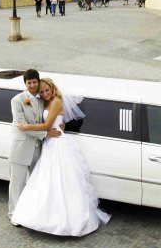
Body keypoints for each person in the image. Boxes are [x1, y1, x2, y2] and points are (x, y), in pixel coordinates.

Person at [11, 78, 111, 236]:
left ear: (53, 89)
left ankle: (63, 219)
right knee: (47, 178)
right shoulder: (45, 102)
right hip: (49, 142)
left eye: (47, 90)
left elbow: (46, 125)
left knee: (60, 179)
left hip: (58, 143)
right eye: (42, 91)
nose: (45, 93)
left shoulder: (56, 101)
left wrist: (26, 126)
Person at [7, 70, 62, 220]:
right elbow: (22, 126)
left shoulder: (43, 98)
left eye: (34, 82)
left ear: (38, 82)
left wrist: (60, 124)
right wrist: (46, 134)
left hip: (38, 148)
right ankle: (14, 214)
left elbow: (51, 116)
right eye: (29, 82)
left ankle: (31, 212)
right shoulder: (17, 100)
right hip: (21, 147)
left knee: (36, 182)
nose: (32, 85)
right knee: (17, 184)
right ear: (25, 84)